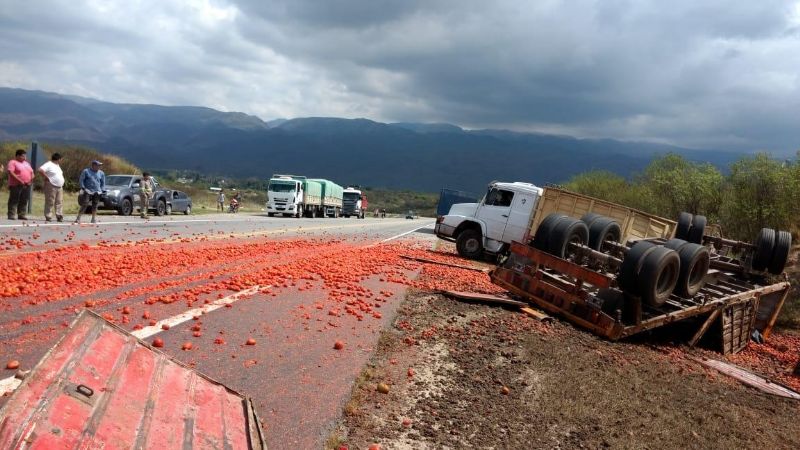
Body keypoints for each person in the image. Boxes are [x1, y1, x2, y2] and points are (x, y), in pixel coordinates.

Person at [7, 149, 34, 220]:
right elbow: (11, 172)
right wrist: (20, 180)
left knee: (24, 200)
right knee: (14, 199)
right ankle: (11, 215)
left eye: (25, 156)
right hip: (16, 184)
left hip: (27, 184)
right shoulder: (13, 162)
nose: (25, 158)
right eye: (23, 156)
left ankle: (21, 214)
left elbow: (31, 172)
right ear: (17, 156)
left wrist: (31, 179)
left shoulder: (27, 163)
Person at [75, 160, 105, 224]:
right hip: (88, 190)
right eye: (98, 165)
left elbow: (103, 182)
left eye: (100, 165)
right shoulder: (86, 171)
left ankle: (93, 219)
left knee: (95, 204)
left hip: (97, 191)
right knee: (85, 204)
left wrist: (102, 190)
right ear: (93, 165)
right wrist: (83, 187)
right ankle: (78, 218)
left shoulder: (101, 173)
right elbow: (81, 180)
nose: (99, 167)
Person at [38, 153, 65, 222]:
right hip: (51, 185)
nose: (61, 160)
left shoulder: (58, 166)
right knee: (50, 201)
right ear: (58, 159)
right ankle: (48, 216)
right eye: (61, 159)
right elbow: (40, 170)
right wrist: (46, 177)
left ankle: (59, 215)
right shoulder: (49, 164)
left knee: (59, 201)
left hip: (59, 186)